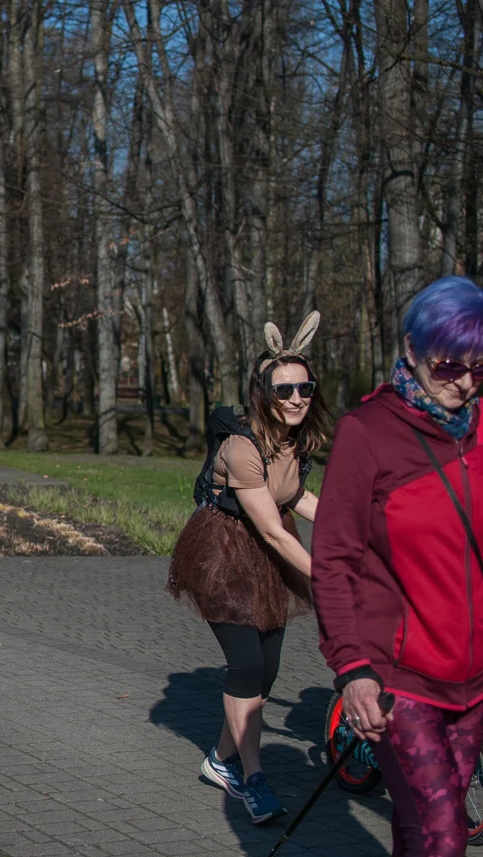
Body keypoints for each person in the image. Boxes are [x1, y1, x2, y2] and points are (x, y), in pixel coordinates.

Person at [313, 277, 483, 857]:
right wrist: (353, 668)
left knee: (428, 827)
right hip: (400, 681)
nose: (464, 384)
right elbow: (332, 561)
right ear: (411, 350)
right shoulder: (367, 433)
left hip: (475, 682)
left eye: (479, 369)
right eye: (449, 367)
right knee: (444, 837)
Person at [166, 312, 330, 824]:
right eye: (284, 391)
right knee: (246, 667)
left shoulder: (295, 439)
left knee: (268, 669)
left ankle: (221, 759)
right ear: (264, 393)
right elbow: (275, 531)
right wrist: (327, 577)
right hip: (223, 553)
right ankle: (253, 779)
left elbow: (297, 497)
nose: (297, 398)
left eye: (304, 387)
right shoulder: (242, 446)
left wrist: (353, 528)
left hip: (265, 557)